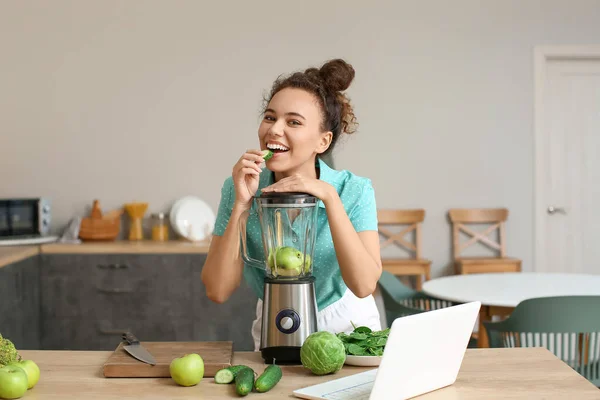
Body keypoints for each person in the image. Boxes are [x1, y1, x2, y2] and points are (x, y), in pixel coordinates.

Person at [201, 59, 383, 351]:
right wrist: (241, 205)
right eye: (270, 117)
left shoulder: (353, 190)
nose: (274, 130)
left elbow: (363, 285)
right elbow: (218, 290)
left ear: (323, 141)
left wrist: (329, 198)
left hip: (347, 326)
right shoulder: (239, 186)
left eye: (294, 122)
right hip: (276, 322)